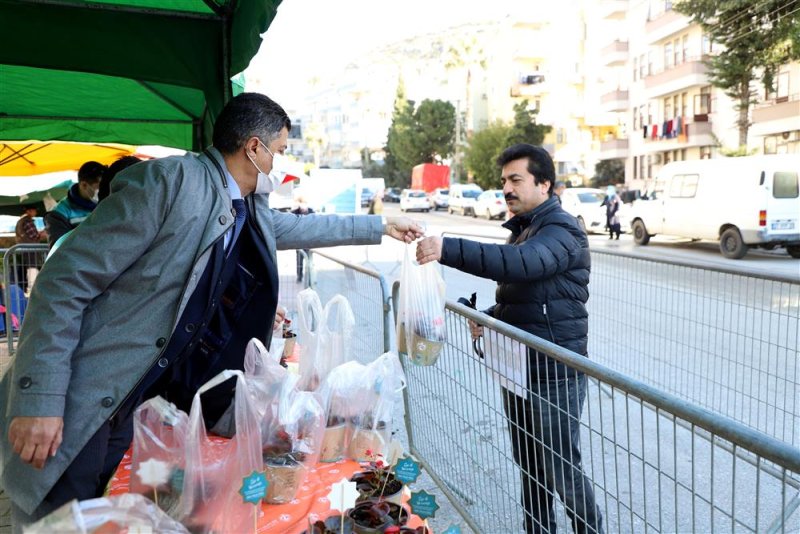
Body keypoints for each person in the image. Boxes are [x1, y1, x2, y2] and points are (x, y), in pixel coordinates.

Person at [1, 92, 423, 531]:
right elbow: (64, 281)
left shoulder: (243, 204)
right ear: (253, 148)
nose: (278, 165)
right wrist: (39, 399)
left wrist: (380, 226)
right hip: (81, 394)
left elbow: (300, 226)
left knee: (98, 514)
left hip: (131, 401)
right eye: (278, 151)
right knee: (52, 519)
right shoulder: (168, 183)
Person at [416, 144, 602, 534]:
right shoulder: (525, 229)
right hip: (519, 366)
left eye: (516, 179)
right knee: (530, 465)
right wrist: (490, 318)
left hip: (553, 372)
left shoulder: (562, 230)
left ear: (545, 183)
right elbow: (525, 297)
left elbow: (522, 265)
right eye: (504, 181)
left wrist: (446, 248)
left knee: (560, 469)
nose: (507, 189)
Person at [44, 160, 106, 248]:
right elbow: (60, 250)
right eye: (100, 187)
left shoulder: (106, 205)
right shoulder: (58, 214)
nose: (105, 191)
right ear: (84, 185)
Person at [13, 205, 46, 292]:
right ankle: (32, 288)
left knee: (30, 267)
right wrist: (44, 232)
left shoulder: (21, 221)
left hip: (25, 248)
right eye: (34, 210)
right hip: (31, 248)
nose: (35, 212)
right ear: (29, 211)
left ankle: (31, 288)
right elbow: (34, 235)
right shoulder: (27, 221)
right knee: (33, 267)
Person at [290, 195, 315, 282]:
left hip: (309, 241)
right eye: (300, 203)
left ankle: (309, 279)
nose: (302, 205)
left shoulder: (311, 212)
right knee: (299, 261)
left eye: (304, 203)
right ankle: (299, 276)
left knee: (310, 262)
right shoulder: (294, 212)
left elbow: (315, 226)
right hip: (298, 241)